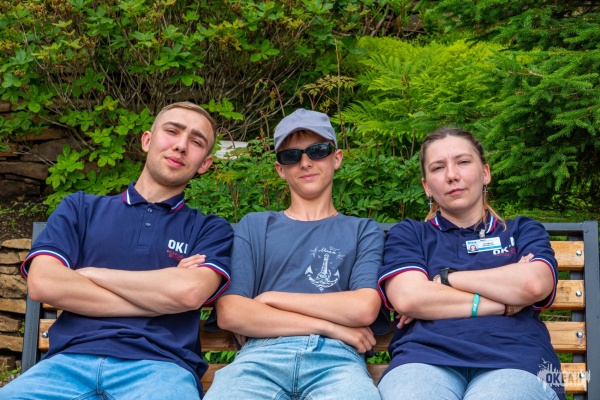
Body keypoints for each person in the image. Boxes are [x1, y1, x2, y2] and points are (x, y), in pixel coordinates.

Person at [2, 102, 234, 399]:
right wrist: (161, 294)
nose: (181, 145)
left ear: (205, 163)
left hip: (160, 371)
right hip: (66, 366)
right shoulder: (80, 208)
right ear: (147, 140)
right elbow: (44, 283)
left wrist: (90, 274)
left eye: (196, 142)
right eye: (172, 131)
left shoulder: (210, 229)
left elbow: (188, 294)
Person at [203, 109, 384, 400]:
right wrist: (331, 326)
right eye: (291, 156)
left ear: (337, 158)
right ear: (280, 169)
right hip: (260, 358)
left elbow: (363, 308)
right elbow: (230, 312)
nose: (305, 162)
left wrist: (270, 298)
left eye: (318, 151)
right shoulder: (256, 226)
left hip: (337, 360)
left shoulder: (362, 230)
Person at [377, 127, 565, 400]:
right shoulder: (410, 234)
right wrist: (506, 303)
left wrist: (446, 279)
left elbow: (533, 284)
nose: (452, 175)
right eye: (438, 167)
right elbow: (409, 298)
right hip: (424, 359)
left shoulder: (522, 230)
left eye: (463, 162)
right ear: (427, 186)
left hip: (516, 359)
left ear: (485, 173)